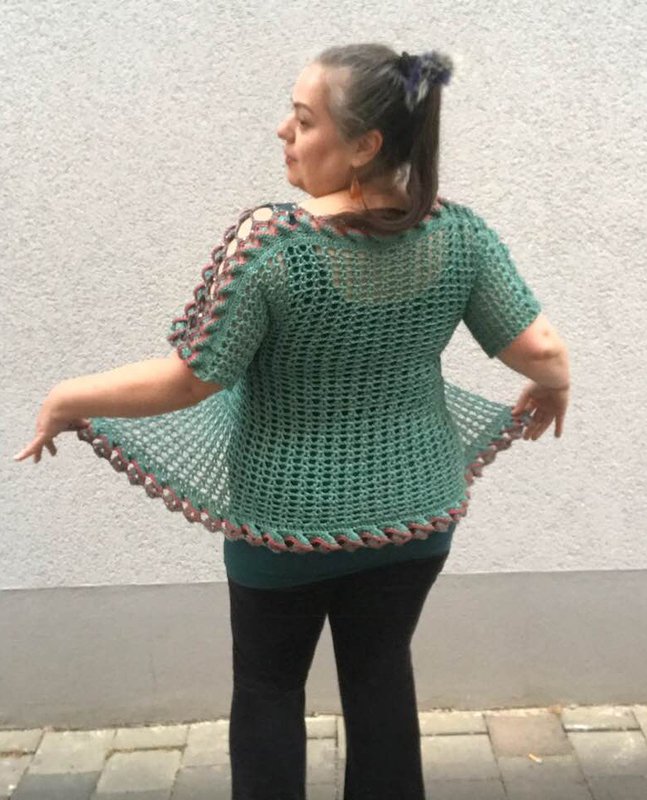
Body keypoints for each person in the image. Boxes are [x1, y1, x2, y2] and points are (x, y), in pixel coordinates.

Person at [14, 43, 570, 800]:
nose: (283, 131)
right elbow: (540, 349)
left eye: (304, 120)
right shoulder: (460, 237)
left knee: (269, 690)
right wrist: (552, 387)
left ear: (364, 145)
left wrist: (68, 397)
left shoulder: (273, 246)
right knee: (380, 677)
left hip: (285, 524)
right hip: (414, 514)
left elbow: (190, 379)